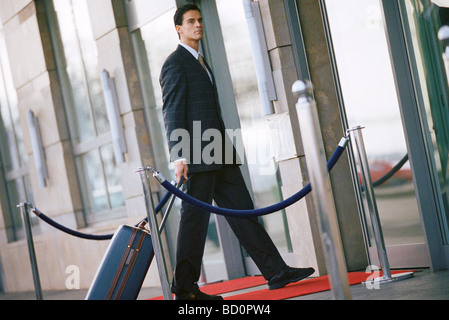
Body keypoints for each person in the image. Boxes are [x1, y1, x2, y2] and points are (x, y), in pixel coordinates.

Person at [159, 4, 314, 300]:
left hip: (221, 151)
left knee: (245, 213)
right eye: (191, 21)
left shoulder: (202, 61)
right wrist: (179, 157)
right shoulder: (175, 63)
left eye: (200, 20)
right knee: (194, 222)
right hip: (197, 155)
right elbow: (173, 112)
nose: (198, 25)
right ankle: (185, 289)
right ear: (178, 28)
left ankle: (276, 271)